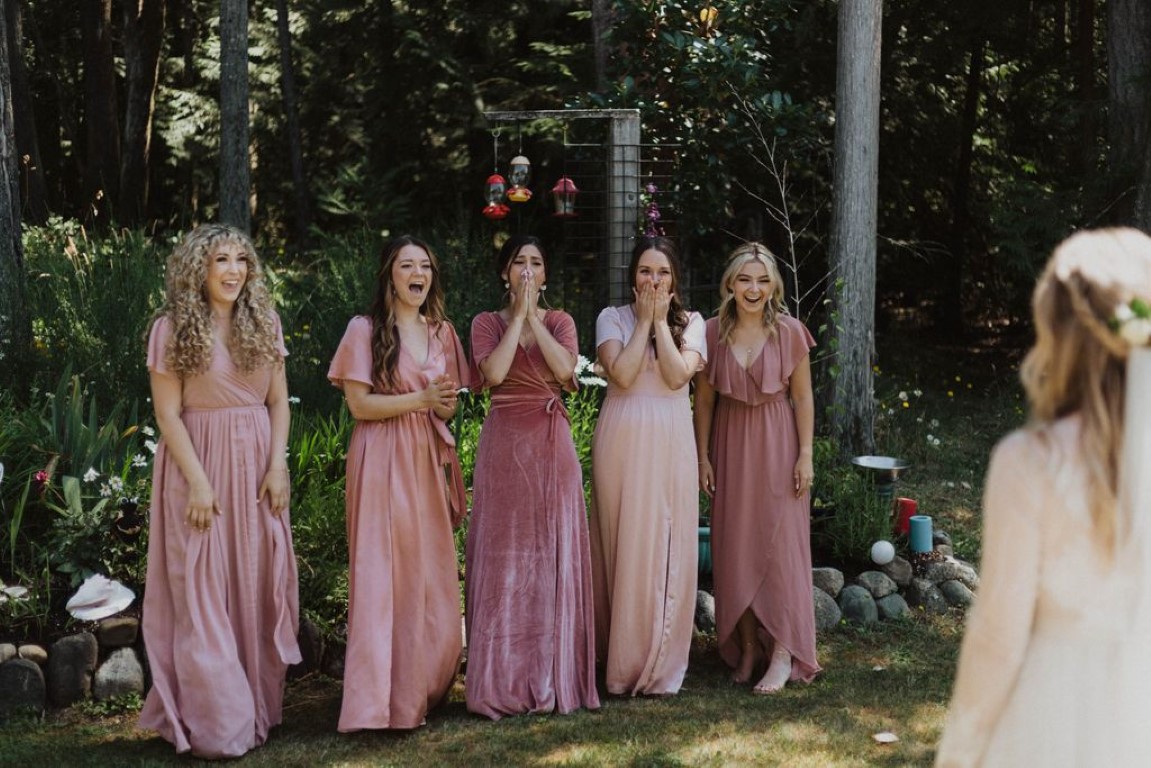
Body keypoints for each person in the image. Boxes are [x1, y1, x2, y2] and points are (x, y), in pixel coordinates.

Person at [935, 228, 1151, 767]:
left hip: (1053, 716)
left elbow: (997, 637)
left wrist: (959, 753)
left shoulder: (1031, 461)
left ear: (1058, 332)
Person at [139, 223, 300, 758]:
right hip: (198, 466)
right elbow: (167, 414)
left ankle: (256, 705)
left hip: (257, 467)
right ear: (198, 271)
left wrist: (277, 466)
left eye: (241, 260)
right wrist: (199, 484)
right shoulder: (171, 328)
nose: (234, 270)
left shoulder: (265, 322)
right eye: (221, 261)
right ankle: (217, 717)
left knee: (255, 583)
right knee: (202, 590)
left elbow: (278, 402)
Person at [327, 235, 468, 732]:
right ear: (389, 273)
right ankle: (378, 700)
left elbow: (447, 404)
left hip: (426, 458)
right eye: (408, 265)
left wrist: (441, 402)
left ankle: (422, 685)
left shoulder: (442, 332)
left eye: (425, 266)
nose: (419, 274)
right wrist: (422, 400)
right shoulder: (363, 330)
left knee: (429, 571)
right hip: (382, 456)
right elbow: (361, 407)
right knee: (385, 572)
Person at [464, 234, 600, 719]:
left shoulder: (561, 322)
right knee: (504, 554)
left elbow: (566, 373)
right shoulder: (485, 323)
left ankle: (550, 673)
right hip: (503, 441)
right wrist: (517, 317)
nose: (526, 269)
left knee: (549, 551)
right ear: (505, 273)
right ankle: (500, 677)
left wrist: (536, 321)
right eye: (518, 262)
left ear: (545, 276)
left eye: (535, 263)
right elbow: (494, 375)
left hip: (549, 439)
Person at [692, 242, 820, 695]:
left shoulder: (789, 332)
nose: (754, 288)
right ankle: (748, 648)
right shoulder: (709, 332)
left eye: (763, 280)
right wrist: (702, 455)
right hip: (730, 444)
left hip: (778, 441)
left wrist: (805, 454)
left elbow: (803, 396)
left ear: (774, 287)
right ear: (730, 284)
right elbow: (704, 400)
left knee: (782, 549)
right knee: (735, 547)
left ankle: (784, 653)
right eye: (745, 279)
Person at [590, 236, 705, 696]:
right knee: (623, 539)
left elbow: (678, 376)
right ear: (632, 276)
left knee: (667, 539)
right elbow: (621, 373)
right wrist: (643, 322)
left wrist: (661, 324)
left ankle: (660, 663)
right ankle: (617, 661)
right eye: (644, 271)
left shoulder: (693, 323)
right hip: (622, 437)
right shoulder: (610, 318)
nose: (652, 280)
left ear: (674, 279)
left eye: (661, 272)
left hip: (672, 438)